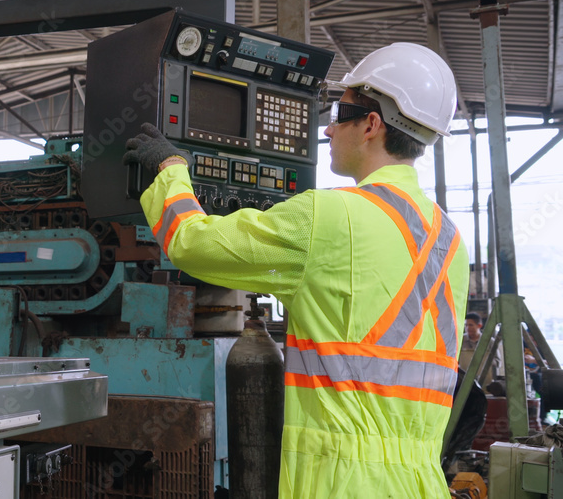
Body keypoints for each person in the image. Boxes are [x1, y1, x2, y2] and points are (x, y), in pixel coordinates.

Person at [122, 42, 469, 497]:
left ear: (371, 124)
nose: (327, 130)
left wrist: (171, 170)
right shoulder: (450, 240)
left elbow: (193, 243)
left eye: (339, 112)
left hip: (344, 482)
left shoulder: (328, 217)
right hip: (422, 480)